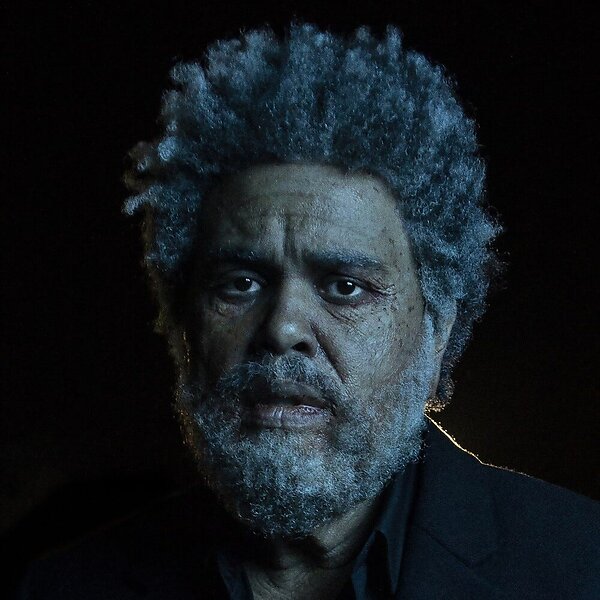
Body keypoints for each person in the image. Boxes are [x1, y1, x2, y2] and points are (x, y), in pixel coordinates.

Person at [20, 22, 598, 599]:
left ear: (437, 332)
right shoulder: (63, 590)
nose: (283, 327)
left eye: (344, 287)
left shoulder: (582, 567)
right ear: (181, 326)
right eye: (241, 283)